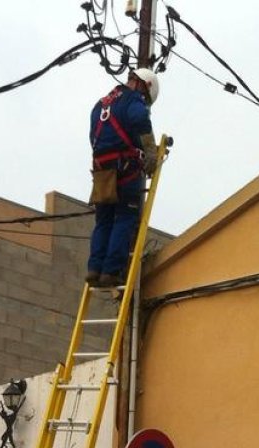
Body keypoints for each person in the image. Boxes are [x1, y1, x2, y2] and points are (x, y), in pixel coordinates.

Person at [87, 68, 160, 288]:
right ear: (143, 85)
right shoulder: (133, 100)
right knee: (124, 217)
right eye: (146, 98)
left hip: (102, 170)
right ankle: (111, 271)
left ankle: (94, 268)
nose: (144, 103)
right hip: (125, 168)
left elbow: (93, 136)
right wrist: (150, 152)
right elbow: (140, 120)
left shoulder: (101, 104)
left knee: (104, 220)